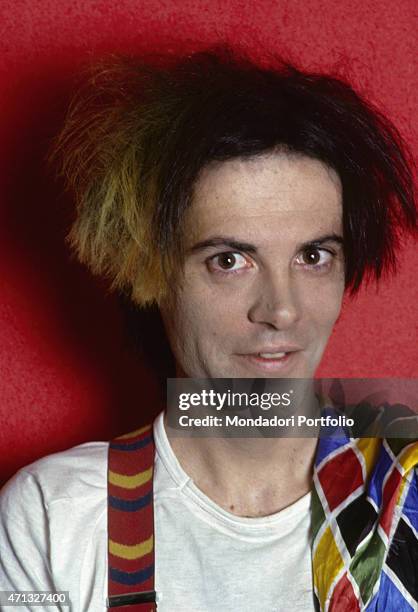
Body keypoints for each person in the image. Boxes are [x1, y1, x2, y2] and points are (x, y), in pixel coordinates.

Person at [0, 48, 417, 612]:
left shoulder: (407, 490)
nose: (282, 310)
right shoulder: (54, 516)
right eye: (229, 260)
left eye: (313, 256)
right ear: (147, 271)